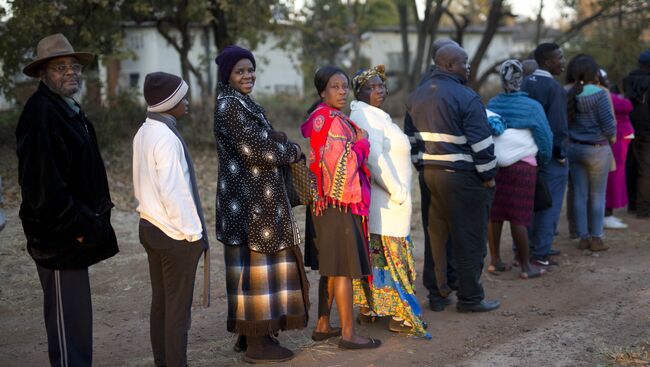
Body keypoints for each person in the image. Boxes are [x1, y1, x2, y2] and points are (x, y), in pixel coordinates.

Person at [15, 33, 119, 367]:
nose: (70, 72)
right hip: (59, 242)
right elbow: (44, 189)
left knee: (76, 324)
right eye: (60, 67)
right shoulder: (41, 114)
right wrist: (76, 230)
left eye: (73, 66)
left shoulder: (65, 107)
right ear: (43, 74)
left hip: (74, 237)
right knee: (66, 330)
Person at [213, 45, 309, 363]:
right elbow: (257, 151)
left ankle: (250, 335)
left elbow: (262, 139)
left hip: (252, 203)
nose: (248, 75)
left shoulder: (241, 103)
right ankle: (257, 344)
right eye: (240, 70)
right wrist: (292, 150)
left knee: (248, 271)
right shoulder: (229, 105)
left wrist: (275, 139)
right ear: (227, 74)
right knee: (256, 273)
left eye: (250, 69)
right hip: (251, 206)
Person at [405, 44, 500, 313]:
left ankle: (437, 295)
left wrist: (423, 168)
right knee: (469, 238)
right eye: (464, 62)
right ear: (448, 65)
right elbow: (482, 145)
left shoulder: (416, 96)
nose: (468, 67)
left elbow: (412, 142)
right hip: (462, 179)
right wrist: (489, 176)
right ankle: (470, 298)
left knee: (437, 237)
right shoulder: (466, 97)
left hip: (430, 176)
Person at [133, 72, 209, 367]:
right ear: (168, 103)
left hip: (150, 226)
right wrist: (193, 235)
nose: (187, 103)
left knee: (162, 305)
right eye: (181, 98)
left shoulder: (145, 131)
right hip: (174, 234)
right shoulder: (165, 138)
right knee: (178, 312)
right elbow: (174, 191)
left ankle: (163, 362)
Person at [302, 66, 381, 349]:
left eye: (344, 86)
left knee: (331, 266)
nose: (342, 91)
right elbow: (345, 164)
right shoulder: (334, 121)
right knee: (344, 268)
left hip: (321, 202)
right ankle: (349, 334)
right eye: (335, 86)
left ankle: (323, 325)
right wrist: (361, 145)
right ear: (322, 91)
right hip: (339, 203)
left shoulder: (319, 118)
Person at [348, 65, 430, 338]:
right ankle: (401, 315)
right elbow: (374, 158)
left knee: (380, 258)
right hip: (386, 203)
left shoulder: (375, 115)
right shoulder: (364, 115)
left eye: (381, 85)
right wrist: (398, 192)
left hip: (386, 203)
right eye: (371, 87)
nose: (378, 90)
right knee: (391, 258)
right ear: (359, 92)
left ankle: (372, 308)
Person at [406, 38, 460, 312]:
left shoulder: (421, 88)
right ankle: (444, 287)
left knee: (436, 232)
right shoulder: (445, 86)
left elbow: (409, 135)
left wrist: (420, 164)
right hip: (451, 172)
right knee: (446, 231)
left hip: (428, 171)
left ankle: (442, 287)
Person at [486, 60, 553, 279]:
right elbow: (545, 138)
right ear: (521, 80)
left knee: (495, 215)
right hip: (523, 168)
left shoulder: (493, 103)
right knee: (519, 216)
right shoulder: (532, 107)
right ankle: (526, 267)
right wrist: (542, 160)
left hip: (496, 165)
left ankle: (495, 262)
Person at [521, 43, 568, 267]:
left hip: (525, 154)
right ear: (548, 62)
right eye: (560, 57)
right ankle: (541, 251)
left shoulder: (524, 83)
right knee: (549, 202)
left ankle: (525, 247)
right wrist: (560, 153)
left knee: (529, 201)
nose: (564, 61)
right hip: (548, 155)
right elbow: (557, 127)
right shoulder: (554, 87)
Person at [566, 55, 616, 251]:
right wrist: (610, 136)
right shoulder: (600, 94)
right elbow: (608, 125)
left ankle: (583, 237)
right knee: (597, 195)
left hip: (575, 148)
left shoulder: (568, 93)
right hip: (597, 149)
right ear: (594, 73)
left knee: (579, 194)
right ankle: (596, 238)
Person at [603, 75, 635, 229]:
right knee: (613, 176)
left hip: (620, 139)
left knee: (616, 175)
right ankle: (606, 214)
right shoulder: (605, 95)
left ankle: (609, 213)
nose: (608, 82)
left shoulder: (608, 95)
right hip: (615, 140)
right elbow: (627, 106)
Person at [623, 49, 650, 218]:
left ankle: (632, 203)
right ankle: (644, 208)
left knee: (631, 164)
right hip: (647, 128)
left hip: (628, 126)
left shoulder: (628, 80)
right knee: (646, 168)